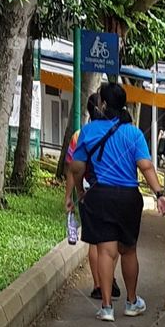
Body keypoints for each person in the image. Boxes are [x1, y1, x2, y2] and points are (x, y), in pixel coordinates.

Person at [67, 82, 165, 322]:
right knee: (128, 250)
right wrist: (160, 194)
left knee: (106, 250)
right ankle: (132, 302)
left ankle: (106, 307)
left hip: (100, 195)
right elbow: (146, 166)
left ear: (103, 104)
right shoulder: (133, 133)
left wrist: (80, 191)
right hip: (128, 198)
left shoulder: (89, 131)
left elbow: (77, 167)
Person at [65, 95, 120, 301]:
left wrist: (71, 195)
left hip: (87, 189)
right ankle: (109, 279)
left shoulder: (79, 134)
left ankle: (98, 284)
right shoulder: (115, 131)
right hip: (109, 189)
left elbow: (73, 169)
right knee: (111, 239)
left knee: (95, 242)